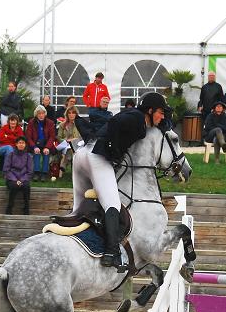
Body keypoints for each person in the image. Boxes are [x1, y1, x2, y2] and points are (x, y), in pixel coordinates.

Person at [72, 92, 171, 270]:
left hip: (81, 156)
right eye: (160, 112)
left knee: (78, 207)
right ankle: (112, 252)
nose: (162, 116)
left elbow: (164, 123)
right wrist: (114, 150)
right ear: (150, 111)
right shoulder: (137, 119)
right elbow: (116, 124)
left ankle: (80, 242)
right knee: (112, 204)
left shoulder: (137, 116)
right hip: (96, 157)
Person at [3, 135, 33, 215]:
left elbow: (30, 171)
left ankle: (26, 208)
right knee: (14, 186)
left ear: (25, 144)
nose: (21, 145)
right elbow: (6, 169)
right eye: (19, 143)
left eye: (23, 143)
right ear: (16, 144)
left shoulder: (28, 156)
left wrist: (22, 180)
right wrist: (15, 180)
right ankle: (9, 207)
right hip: (12, 178)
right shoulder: (11, 155)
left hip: (23, 178)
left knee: (26, 186)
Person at [25, 105, 56, 181]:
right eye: (39, 114)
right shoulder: (31, 122)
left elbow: (52, 137)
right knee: (37, 152)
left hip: (46, 144)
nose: (41, 115)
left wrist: (47, 147)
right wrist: (34, 147)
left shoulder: (50, 123)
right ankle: (36, 172)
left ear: (45, 114)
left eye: (42, 113)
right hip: (35, 144)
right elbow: (28, 137)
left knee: (46, 153)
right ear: (36, 114)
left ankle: (44, 173)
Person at [56, 105, 82, 178]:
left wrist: (73, 140)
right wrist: (66, 140)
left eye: (73, 113)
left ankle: (63, 165)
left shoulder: (79, 124)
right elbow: (58, 137)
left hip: (77, 145)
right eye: (69, 113)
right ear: (67, 114)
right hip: (64, 144)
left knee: (70, 149)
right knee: (68, 148)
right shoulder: (62, 125)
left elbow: (81, 137)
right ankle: (64, 166)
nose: (71, 115)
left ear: (76, 114)